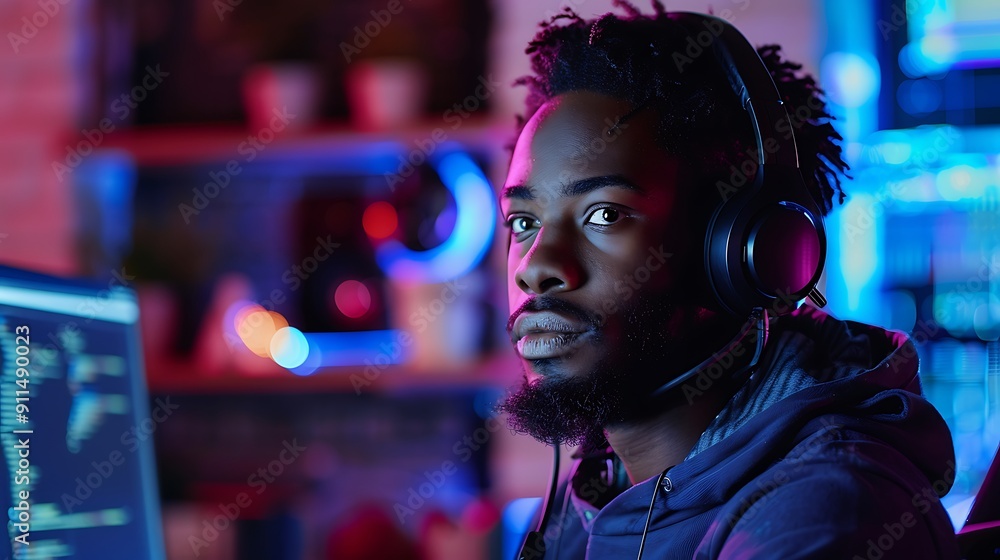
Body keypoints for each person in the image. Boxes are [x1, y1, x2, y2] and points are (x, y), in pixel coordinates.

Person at [495, 2, 960, 558]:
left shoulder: (821, 518)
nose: (534, 266)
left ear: (748, 254)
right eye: (524, 223)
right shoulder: (599, 492)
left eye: (604, 215)